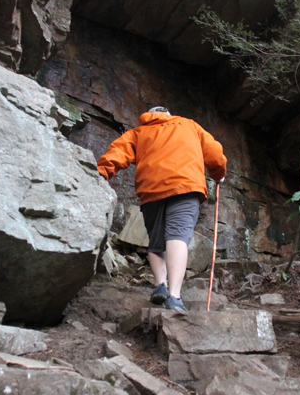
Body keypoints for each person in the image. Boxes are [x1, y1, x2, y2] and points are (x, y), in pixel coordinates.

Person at [97, 107, 227, 313]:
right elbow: (214, 154)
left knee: (156, 240)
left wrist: (101, 173)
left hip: (151, 191)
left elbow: (116, 154)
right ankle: (174, 296)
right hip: (185, 187)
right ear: (168, 114)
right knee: (177, 236)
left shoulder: (137, 133)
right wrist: (218, 174)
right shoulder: (189, 125)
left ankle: (160, 285)